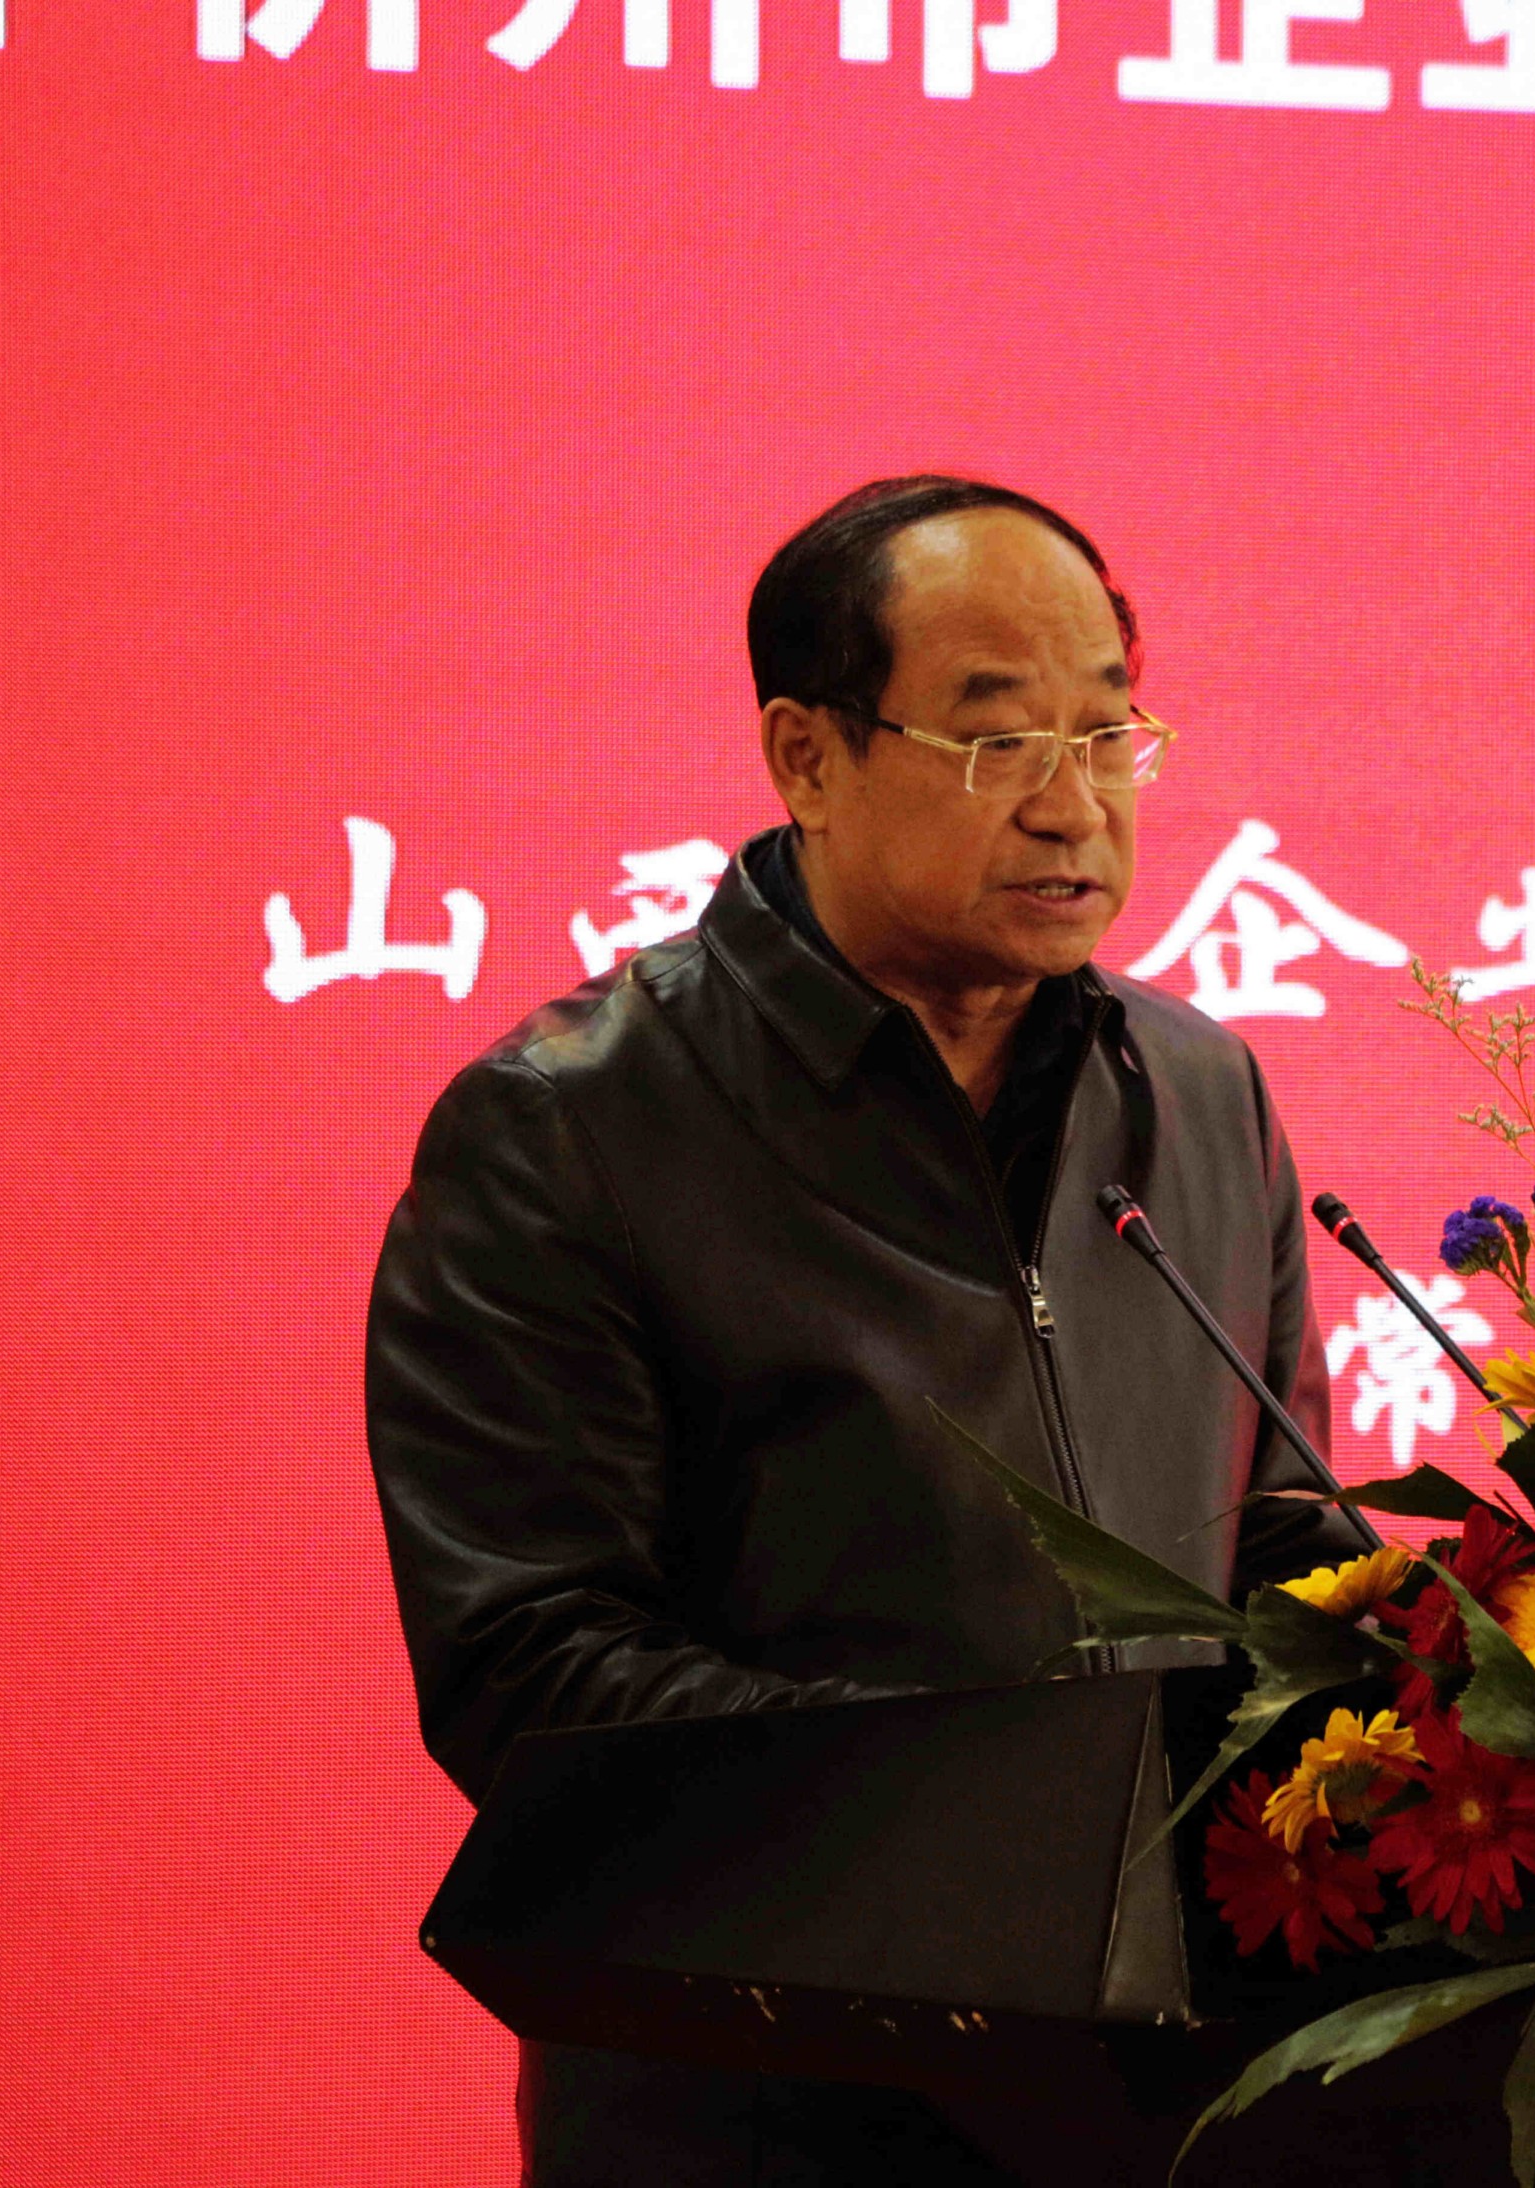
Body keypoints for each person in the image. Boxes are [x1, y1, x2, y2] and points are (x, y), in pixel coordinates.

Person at [364, 475, 1376, 2184]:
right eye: (997, 742)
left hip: (1161, 2106)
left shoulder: (1201, 1092)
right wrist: (1003, 1858)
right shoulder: (568, 1127)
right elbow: (531, 1669)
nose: (1073, 806)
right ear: (808, 758)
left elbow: (1276, 1543)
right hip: (757, 2107)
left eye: (1107, 734)